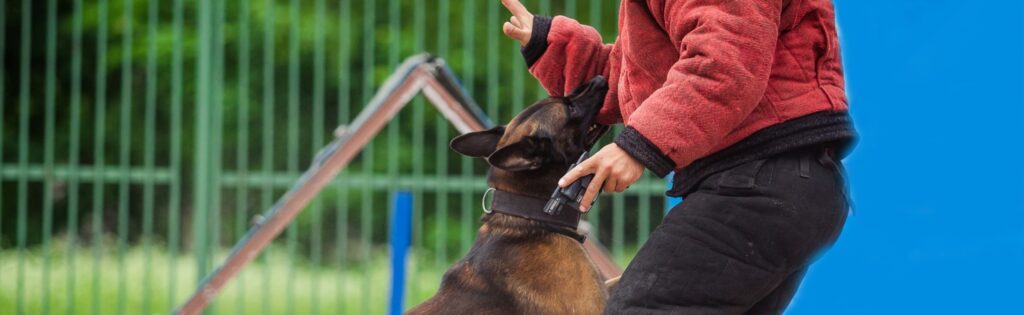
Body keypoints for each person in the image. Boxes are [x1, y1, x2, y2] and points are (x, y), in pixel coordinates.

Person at [500, 0, 856, 313]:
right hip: (777, 179)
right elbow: (641, 79)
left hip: (763, 176)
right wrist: (549, 44)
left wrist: (637, 147)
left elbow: (724, 65)